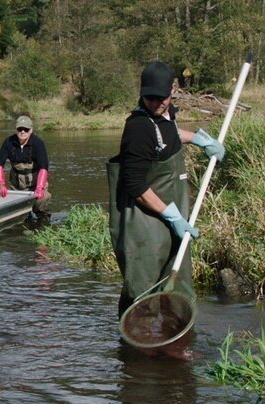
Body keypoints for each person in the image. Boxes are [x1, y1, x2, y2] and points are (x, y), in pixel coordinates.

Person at [108, 61, 226, 319]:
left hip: (169, 218)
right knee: (143, 294)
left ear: (173, 90)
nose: (155, 103)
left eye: (161, 97)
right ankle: (137, 353)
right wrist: (171, 216)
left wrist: (197, 139)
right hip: (144, 223)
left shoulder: (166, 113)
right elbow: (136, 186)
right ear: (142, 92)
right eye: (149, 97)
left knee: (177, 290)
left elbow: (167, 134)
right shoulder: (138, 128)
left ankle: (176, 349)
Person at [0, 115, 51, 223]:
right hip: (16, 187)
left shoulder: (38, 144)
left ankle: (43, 221)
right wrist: (1, 183)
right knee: (18, 216)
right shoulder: (8, 142)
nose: (23, 132)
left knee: (41, 204)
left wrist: (40, 187)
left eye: (26, 129)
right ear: (16, 129)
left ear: (31, 130)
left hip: (35, 186)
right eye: (20, 129)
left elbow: (44, 167)